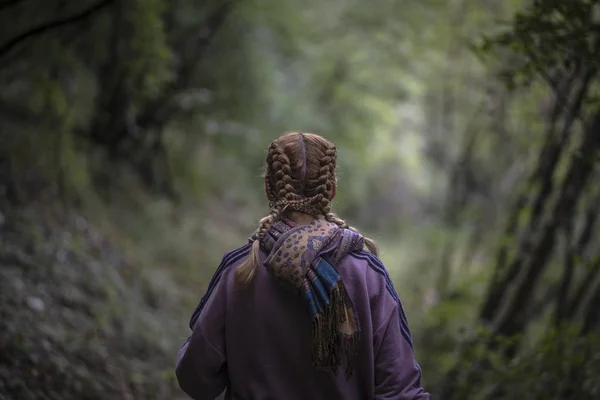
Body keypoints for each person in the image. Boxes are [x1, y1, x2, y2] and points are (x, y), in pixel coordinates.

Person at [175, 132, 430, 400]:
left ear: (269, 187)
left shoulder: (240, 271)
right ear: (331, 189)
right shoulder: (367, 275)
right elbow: (400, 390)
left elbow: (196, 380)